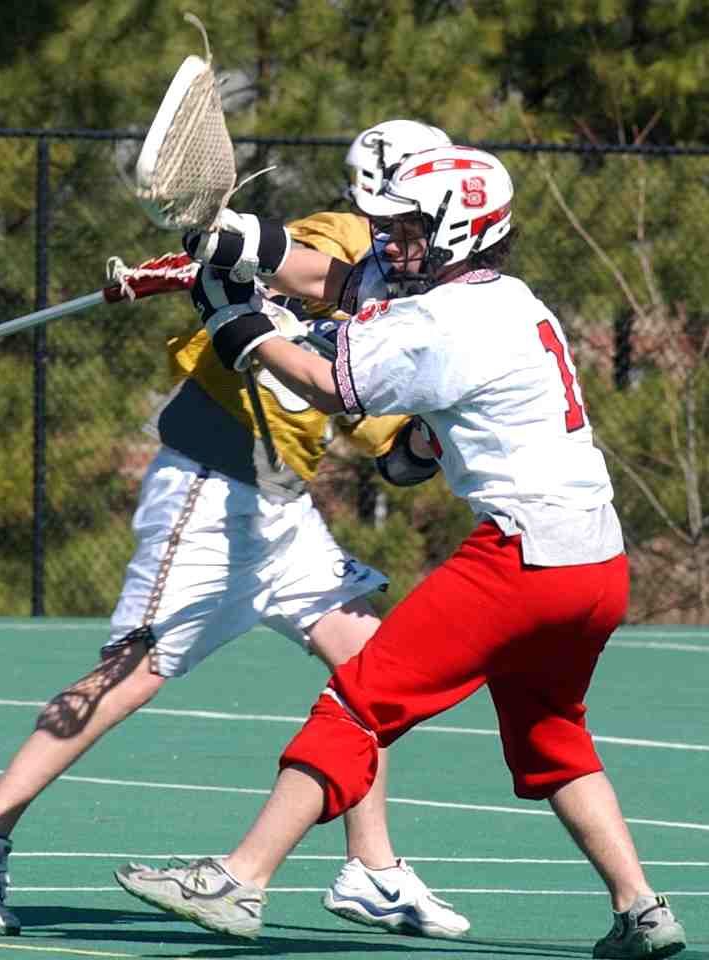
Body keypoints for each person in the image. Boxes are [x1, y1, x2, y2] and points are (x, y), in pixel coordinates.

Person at [113, 144, 688, 960]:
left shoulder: (443, 319)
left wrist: (234, 323)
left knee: (355, 705)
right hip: (596, 566)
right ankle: (641, 907)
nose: (390, 240)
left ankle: (239, 879)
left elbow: (328, 385)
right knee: (550, 732)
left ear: (457, 232)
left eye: (409, 228)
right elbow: (338, 281)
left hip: (520, 557)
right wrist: (232, 239)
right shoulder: (501, 296)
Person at [0, 120, 471, 941]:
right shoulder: (344, 239)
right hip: (211, 488)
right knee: (132, 673)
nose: (420, 228)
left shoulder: (413, 289)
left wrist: (425, 439)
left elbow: (384, 443)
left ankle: (372, 868)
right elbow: (256, 257)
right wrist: (221, 266)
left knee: (371, 670)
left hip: (281, 509)